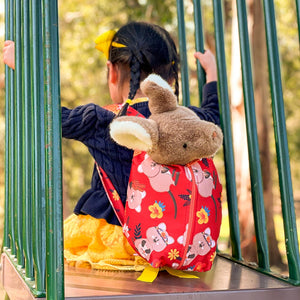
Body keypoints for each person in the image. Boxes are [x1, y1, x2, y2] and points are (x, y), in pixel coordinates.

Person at [3, 21, 220, 271]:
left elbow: (49, 115)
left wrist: (24, 70)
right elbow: (213, 114)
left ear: (112, 72)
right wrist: (211, 75)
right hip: (171, 240)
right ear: (172, 79)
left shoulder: (102, 120)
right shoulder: (190, 120)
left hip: (116, 244)